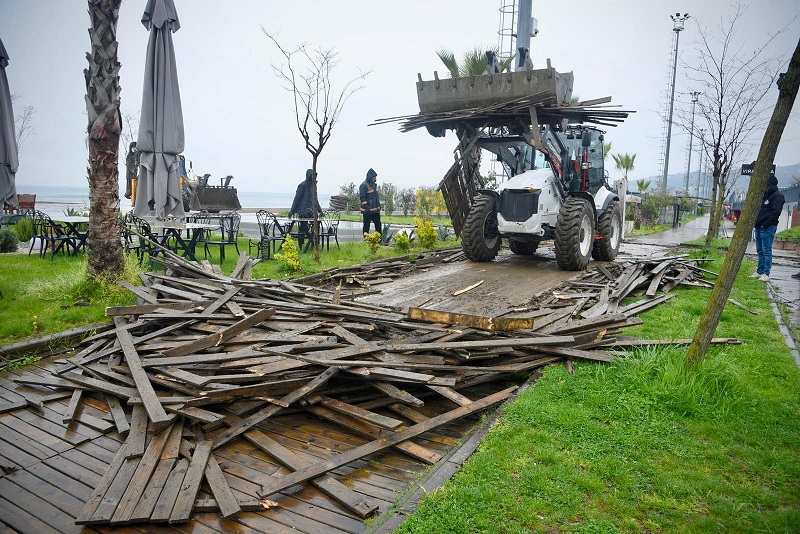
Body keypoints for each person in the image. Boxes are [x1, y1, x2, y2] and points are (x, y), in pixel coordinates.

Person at [750, 174, 785, 282]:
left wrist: (766, 224)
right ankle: (759, 271)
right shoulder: (765, 195)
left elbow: (776, 212)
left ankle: (766, 273)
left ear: (769, 184)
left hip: (768, 227)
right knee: (760, 250)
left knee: (767, 251)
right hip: (759, 226)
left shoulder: (777, 196)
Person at [289, 169, 322, 248]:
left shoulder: (313, 186)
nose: (314, 177)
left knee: (317, 225)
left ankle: (314, 243)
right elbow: (297, 199)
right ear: (309, 176)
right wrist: (292, 211)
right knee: (303, 228)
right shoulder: (302, 185)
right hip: (302, 212)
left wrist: (320, 211)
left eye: (315, 175)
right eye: (312, 175)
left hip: (311, 212)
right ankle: (303, 245)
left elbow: (315, 200)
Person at [359, 168, 381, 238]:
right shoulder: (363, 185)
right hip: (367, 211)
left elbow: (376, 197)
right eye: (374, 177)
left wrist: (379, 206)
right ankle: (366, 240)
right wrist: (367, 208)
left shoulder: (374, 185)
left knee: (378, 226)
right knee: (366, 226)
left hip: (375, 211)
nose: (375, 178)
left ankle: (379, 240)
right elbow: (363, 198)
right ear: (370, 177)